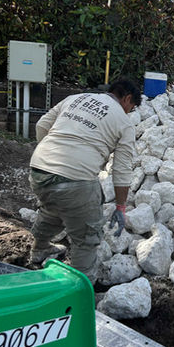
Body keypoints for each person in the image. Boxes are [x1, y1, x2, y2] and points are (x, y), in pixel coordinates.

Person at [29, 78, 141, 282]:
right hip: (76, 180)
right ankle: (80, 287)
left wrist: (51, 159)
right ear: (127, 99)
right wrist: (121, 207)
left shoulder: (76, 98)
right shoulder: (124, 122)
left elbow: (42, 125)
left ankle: (40, 249)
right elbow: (122, 169)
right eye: (131, 108)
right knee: (86, 238)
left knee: (52, 208)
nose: (129, 113)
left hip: (39, 170)